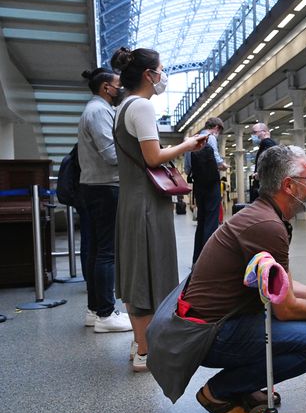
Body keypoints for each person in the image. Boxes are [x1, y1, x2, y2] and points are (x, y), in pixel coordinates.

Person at [182, 145, 306, 413]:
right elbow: (286, 308)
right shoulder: (267, 226)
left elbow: (286, 286)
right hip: (209, 335)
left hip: (220, 323)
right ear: (288, 185)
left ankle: (244, 386)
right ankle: (218, 392)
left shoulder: (265, 216)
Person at [110, 47, 206, 372]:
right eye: (161, 69)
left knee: (138, 271)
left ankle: (141, 343)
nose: (163, 75)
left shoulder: (125, 106)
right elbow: (152, 158)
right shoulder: (141, 106)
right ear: (149, 74)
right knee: (146, 273)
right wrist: (186, 145)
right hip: (147, 204)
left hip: (133, 201)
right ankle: (144, 350)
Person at [78, 68, 132, 333]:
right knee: (107, 251)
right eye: (117, 84)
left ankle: (94, 309)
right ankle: (106, 314)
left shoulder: (93, 109)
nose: (120, 88)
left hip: (94, 186)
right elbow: (111, 153)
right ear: (105, 88)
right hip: (104, 187)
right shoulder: (99, 112)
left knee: (97, 250)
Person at [188, 117, 229, 263]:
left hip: (198, 184)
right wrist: (224, 166)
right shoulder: (210, 138)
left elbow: (188, 168)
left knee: (202, 221)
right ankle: (208, 261)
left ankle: (197, 259)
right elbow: (217, 160)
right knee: (211, 222)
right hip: (212, 184)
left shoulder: (193, 139)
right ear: (217, 127)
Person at [249, 122, 278, 201]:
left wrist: (260, 174)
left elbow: (272, 160)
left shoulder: (267, 143)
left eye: (255, 132)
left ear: (264, 132)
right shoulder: (267, 144)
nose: (253, 135)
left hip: (265, 188)